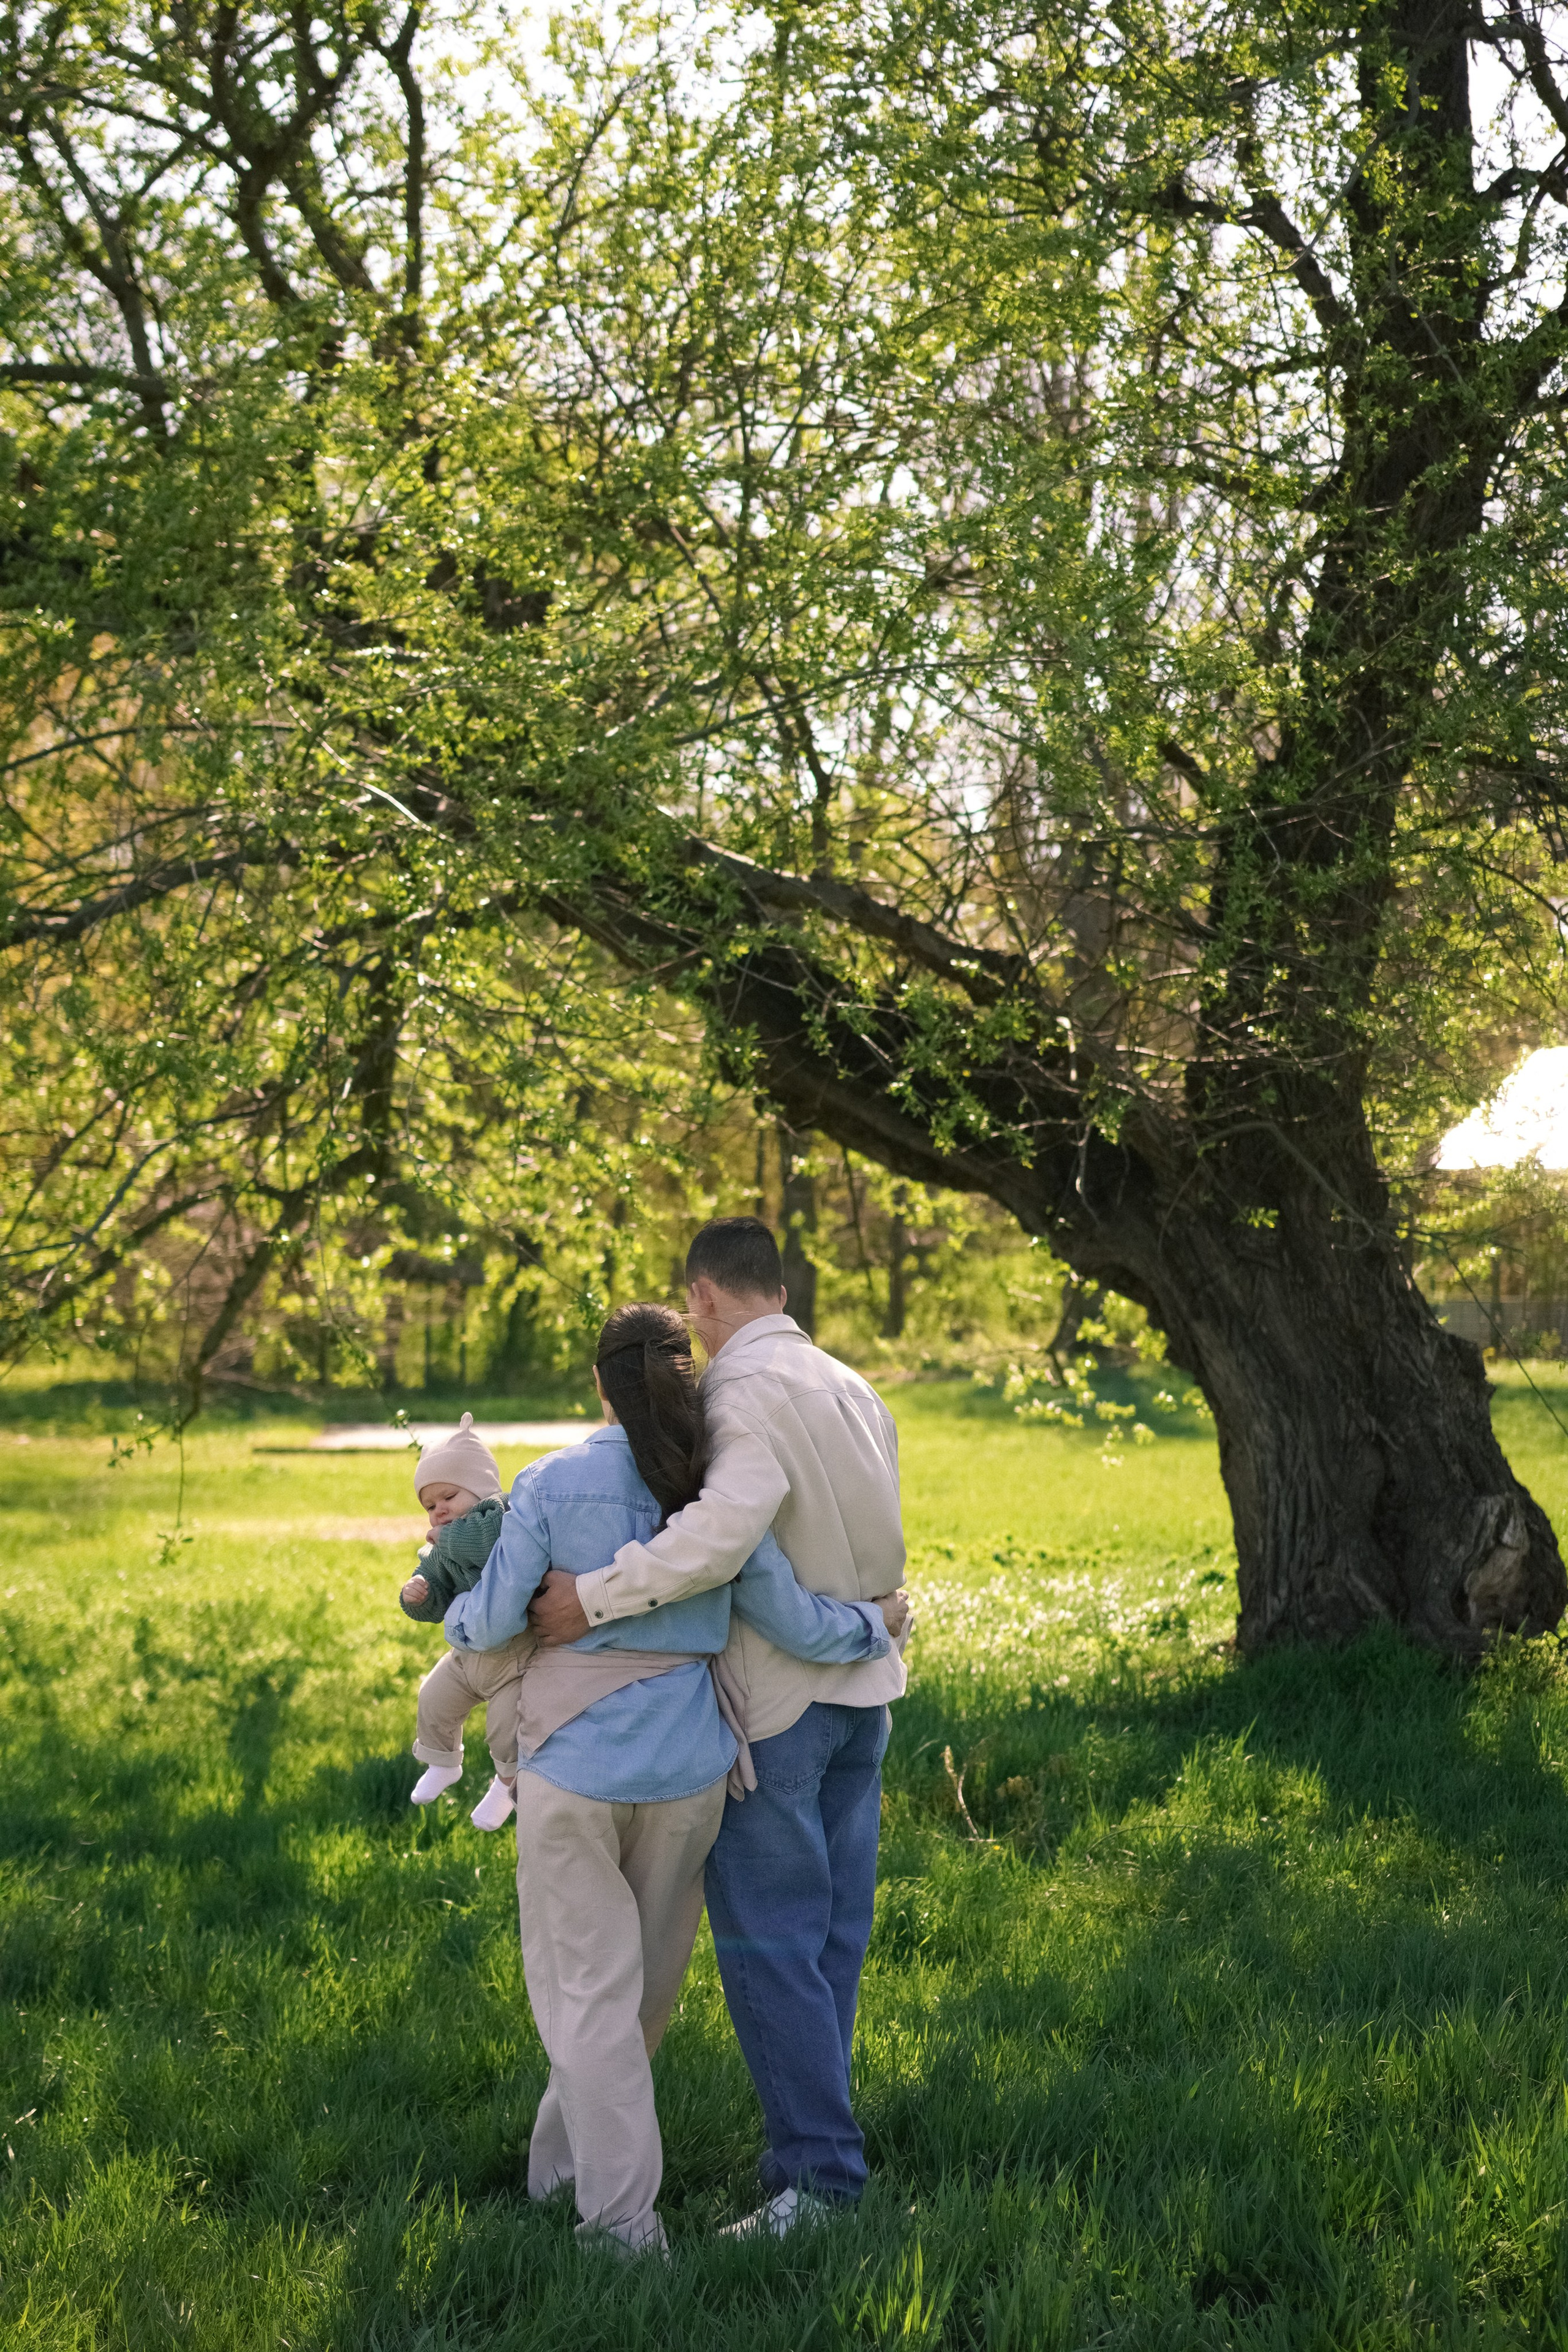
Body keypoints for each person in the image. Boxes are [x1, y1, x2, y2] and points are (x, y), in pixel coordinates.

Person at [441, 1301, 905, 2255]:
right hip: (690, 1777)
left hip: (575, 1771)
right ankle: (557, 2172)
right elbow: (791, 1617)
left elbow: (489, 1624)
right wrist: (878, 1627)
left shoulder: (552, 1483)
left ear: (598, 1385)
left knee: (583, 1995)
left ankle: (621, 2229)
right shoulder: (705, 1490)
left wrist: (447, 1619)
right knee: (641, 1997)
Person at [399, 1412, 526, 1831]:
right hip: (467, 1655)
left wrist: (447, 1538)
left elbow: (489, 1544)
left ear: (479, 1486)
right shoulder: (442, 1544)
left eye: (449, 1497)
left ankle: (506, 1787)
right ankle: (442, 1761)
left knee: (506, 1731)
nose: (439, 1511)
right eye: (431, 1506)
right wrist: (419, 1595)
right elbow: (435, 1588)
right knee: (432, 1699)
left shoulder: (501, 1511)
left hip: (515, 1663)